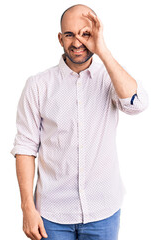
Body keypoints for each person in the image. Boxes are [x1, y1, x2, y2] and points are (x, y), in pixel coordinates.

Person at [10, 4, 148, 240]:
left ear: (95, 35)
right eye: (70, 34)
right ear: (60, 38)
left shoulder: (109, 78)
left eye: (85, 34)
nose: (77, 42)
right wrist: (27, 208)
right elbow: (25, 148)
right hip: (52, 215)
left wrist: (102, 50)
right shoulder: (38, 85)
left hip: (103, 210)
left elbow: (136, 105)